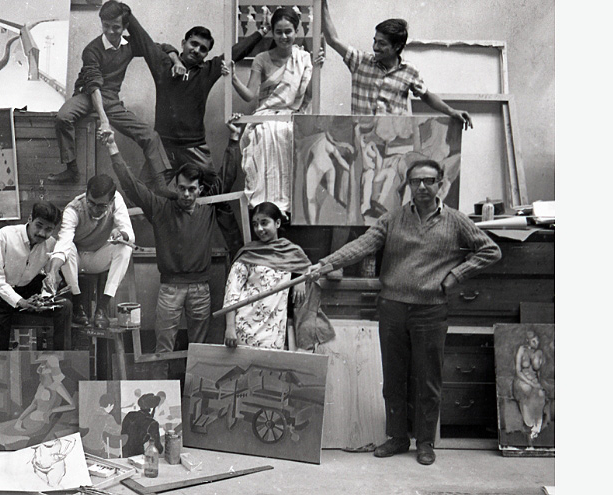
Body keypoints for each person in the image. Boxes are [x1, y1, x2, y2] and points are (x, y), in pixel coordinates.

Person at [305, 159, 501, 466]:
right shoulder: (392, 219)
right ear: (408, 185)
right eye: (415, 181)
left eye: (429, 181)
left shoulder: (456, 221)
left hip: (431, 311)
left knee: (428, 380)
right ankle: (397, 437)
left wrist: (457, 275)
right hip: (392, 308)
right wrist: (325, 263)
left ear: (440, 184)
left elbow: (491, 250)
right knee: (394, 378)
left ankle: (425, 442)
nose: (422, 187)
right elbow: (362, 245)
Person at [122, 14, 267, 253]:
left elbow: (235, 53)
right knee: (138, 195)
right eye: (193, 44)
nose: (197, 50)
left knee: (219, 198)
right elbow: (146, 42)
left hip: (195, 149)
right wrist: (127, 15)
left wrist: (260, 32)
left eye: (203, 49)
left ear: (207, 54)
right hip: (161, 149)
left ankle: (240, 254)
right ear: (183, 43)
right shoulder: (163, 65)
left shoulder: (207, 71)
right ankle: (128, 249)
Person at [106, 120, 239, 353]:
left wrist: (234, 140)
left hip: (201, 289)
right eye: (182, 188)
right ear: (175, 187)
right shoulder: (161, 208)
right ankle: (164, 379)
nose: (186, 194)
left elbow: (226, 177)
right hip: (170, 288)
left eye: (191, 189)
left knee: (199, 350)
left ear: (199, 190)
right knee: (164, 348)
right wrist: (112, 148)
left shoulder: (207, 207)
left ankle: (191, 380)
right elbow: (132, 186)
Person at [48, 0, 170, 196]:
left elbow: (158, 48)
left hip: (111, 99)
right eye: (106, 26)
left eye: (116, 27)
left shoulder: (129, 45)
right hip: (87, 95)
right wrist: (104, 121)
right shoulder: (92, 49)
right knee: (63, 117)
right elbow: (94, 85)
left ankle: (161, 183)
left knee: (150, 135)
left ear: (125, 26)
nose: (110, 32)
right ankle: (71, 169)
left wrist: (175, 57)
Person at [320, 0, 472, 128]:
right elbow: (333, 39)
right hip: (362, 137)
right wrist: (322, 4)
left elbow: (426, 96)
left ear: (397, 46)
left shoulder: (409, 71)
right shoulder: (360, 61)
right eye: (375, 41)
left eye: (382, 43)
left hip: (393, 142)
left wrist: (452, 111)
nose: (375, 47)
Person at [231, 7, 314, 215]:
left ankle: (289, 210)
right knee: (266, 133)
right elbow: (250, 95)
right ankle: (264, 206)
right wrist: (232, 78)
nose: (284, 37)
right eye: (279, 32)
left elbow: (309, 94)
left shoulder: (304, 58)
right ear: (272, 33)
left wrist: (318, 69)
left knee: (293, 135)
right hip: (265, 115)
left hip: (292, 115)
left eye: (288, 31)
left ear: (296, 31)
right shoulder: (261, 59)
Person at [223, 202, 333, 350]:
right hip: (245, 327)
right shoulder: (248, 254)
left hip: (274, 331)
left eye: (264, 223)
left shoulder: (292, 252)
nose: (259, 229)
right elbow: (232, 293)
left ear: (278, 223)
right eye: (255, 224)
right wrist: (230, 327)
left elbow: (307, 269)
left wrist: (300, 279)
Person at [0, 201, 74, 352]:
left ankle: (62, 358)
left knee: (65, 306)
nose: (42, 233)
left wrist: (43, 298)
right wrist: (20, 302)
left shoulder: (51, 244)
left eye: (49, 229)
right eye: (39, 225)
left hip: (26, 290)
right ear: (30, 219)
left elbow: (49, 279)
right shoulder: (6, 235)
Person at [46, 174, 134, 329]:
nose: (94, 209)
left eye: (101, 206)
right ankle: (78, 306)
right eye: (91, 203)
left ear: (111, 201)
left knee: (125, 247)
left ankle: (102, 308)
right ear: (86, 194)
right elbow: (63, 244)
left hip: (99, 258)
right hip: (77, 261)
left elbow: (129, 233)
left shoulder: (117, 201)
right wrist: (52, 272)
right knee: (66, 247)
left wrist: (121, 234)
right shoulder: (73, 209)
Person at [0, 354, 77, 450]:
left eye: (45, 367)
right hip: (29, 419)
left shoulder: (57, 386)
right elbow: (33, 405)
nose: (41, 369)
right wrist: (20, 419)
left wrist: (52, 410)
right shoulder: (41, 386)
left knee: (10, 439)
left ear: (51, 371)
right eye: (42, 366)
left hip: (41, 423)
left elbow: (72, 405)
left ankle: (19, 442)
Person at [513, 330, 547, 442]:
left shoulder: (538, 353)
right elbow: (518, 371)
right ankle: (529, 423)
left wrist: (537, 384)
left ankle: (537, 427)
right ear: (527, 340)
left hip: (534, 380)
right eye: (533, 341)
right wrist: (531, 383)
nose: (536, 343)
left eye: (537, 341)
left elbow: (538, 372)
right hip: (522, 380)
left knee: (541, 394)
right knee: (527, 389)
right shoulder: (521, 350)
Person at [120, 393, 164, 457]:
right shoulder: (152, 423)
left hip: (124, 454)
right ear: (152, 409)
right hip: (138, 456)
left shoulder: (130, 415)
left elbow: (123, 434)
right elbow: (159, 448)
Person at [81, 393, 122, 457]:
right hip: (97, 449)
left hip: (85, 446)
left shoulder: (91, 413)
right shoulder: (108, 417)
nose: (112, 408)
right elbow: (118, 431)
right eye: (112, 406)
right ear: (109, 405)